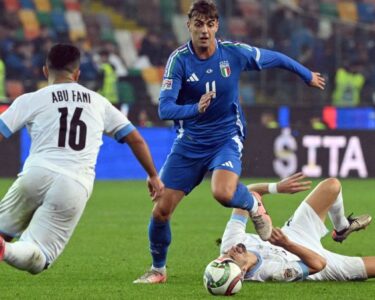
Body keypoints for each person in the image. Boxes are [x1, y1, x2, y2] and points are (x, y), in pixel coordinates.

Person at [134, 0, 326, 284]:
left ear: (216, 26)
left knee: (223, 193)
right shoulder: (179, 61)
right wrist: (194, 109)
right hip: (189, 143)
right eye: (198, 24)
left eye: (209, 24)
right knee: (161, 211)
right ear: (189, 26)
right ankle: (158, 270)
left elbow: (276, 58)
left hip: (226, 136)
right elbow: (165, 109)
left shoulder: (233, 54)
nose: (204, 31)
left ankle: (252, 203)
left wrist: (306, 74)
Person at [0, 44, 164, 274]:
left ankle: (3, 245)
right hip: (74, 183)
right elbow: (135, 139)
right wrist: (153, 176)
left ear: (45, 71)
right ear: (77, 74)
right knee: (38, 255)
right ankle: (5, 251)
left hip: (35, 173)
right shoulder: (98, 102)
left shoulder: (31, 99)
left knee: (2, 230)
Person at [217, 173, 373, 282]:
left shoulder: (230, 242)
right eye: (231, 259)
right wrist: (286, 244)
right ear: (243, 271)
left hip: (296, 232)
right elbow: (318, 263)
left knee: (332, 185)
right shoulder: (271, 273)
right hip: (315, 260)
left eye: (222, 257)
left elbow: (248, 193)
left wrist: (276, 187)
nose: (229, 252)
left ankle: (342, 228)